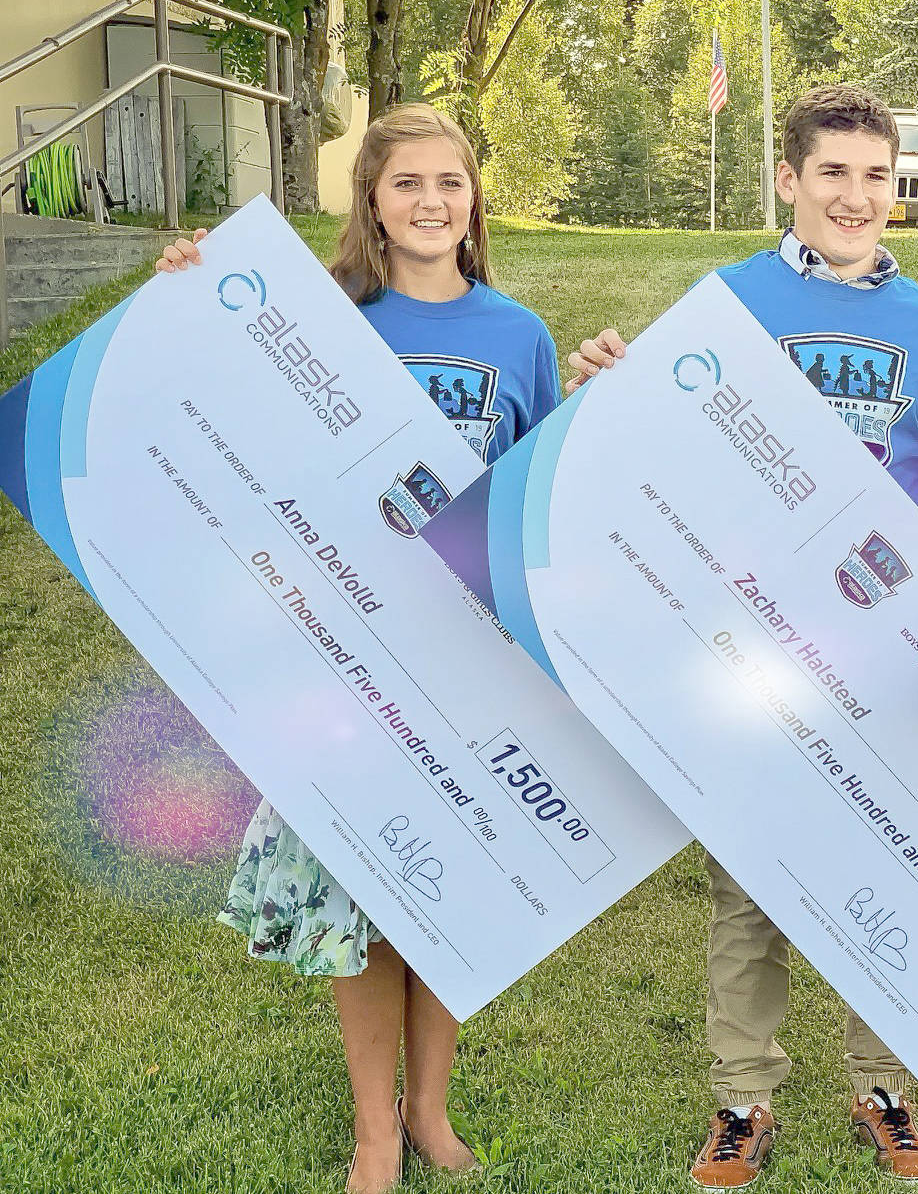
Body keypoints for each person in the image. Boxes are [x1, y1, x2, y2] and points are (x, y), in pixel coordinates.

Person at [157, 103, 607, 1194]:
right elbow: (222, 424)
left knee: (451, 883)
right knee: (361, 885)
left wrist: (597, 407)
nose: (430, 203)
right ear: (372, 199)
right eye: (407, 183)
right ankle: (371, 1132)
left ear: (473, 201)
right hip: (340, 649)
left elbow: (535, 494)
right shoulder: (319, 319)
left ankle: (430, 1113)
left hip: (471, 660)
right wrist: (183, 295)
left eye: (450, 183)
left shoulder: (518, 335)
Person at [571, 84, 918, 1189]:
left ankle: (885, 1087)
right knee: (750, 877)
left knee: (890, 864)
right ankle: (741, 1099)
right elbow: (654, 437)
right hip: (748, 638)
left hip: (886, 646)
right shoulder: (726, 302)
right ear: (788, 182)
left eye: (873, 176)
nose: (856, 197)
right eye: (833, 174)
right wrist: (603, 385)